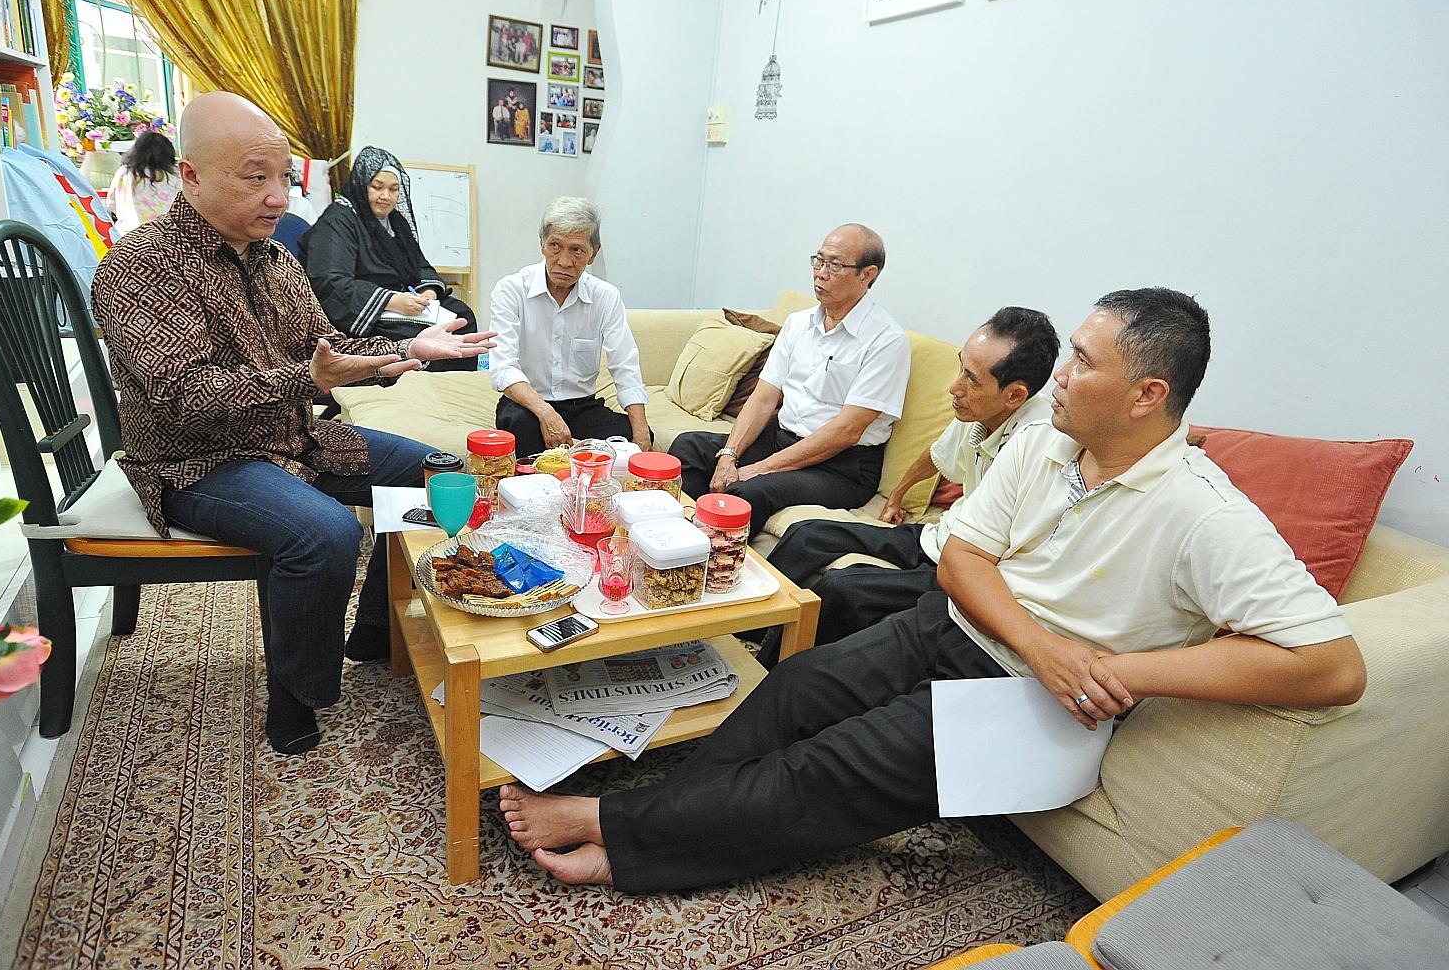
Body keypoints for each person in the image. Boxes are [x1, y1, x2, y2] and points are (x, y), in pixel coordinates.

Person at [497, 287, 1366, 893]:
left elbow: (1332, 666)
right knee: (796, 686)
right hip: (960, 627)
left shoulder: (1204, 513)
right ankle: (659, 827)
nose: (1059, 378)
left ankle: (620, 836)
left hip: (1027, 701)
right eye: (1065, 358)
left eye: (1081, 365)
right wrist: (1045, 642)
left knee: (828, 769)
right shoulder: (1045, 443)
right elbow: (962, 562)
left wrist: (1125, 673)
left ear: (1147, 395)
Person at [91, 93, 496, 756]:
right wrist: (309, 381)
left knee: (436, 475)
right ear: (191, 176)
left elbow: (327, 345)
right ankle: (296, 697)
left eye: (284, 176)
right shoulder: (138, 265)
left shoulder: (276, 260)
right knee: (326, 534)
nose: (279, 196)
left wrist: (406, 350)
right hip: (197, 462)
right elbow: (184, 395)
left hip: (291, 440)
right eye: (257, 177)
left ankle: (373, 634)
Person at [762, 306, 1058, 665]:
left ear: (1015, 395)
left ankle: (764, 671)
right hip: (937, 538)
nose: (954, 387)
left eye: (972, 379)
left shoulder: (1039, 445)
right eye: (961, 367)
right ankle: (748, 630)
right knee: (808, 535)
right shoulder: (979, 410)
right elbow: (936, 456)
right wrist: (897, 496)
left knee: (844, 588)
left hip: (964, 569)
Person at [669, 224, 911, 539]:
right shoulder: (799, 323)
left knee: (749, 491)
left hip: (841, 467)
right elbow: (764, 398)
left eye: (835, 265)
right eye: (818, 261)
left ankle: (711, 568)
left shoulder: (886, 340)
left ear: (867, 274)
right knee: (690, 448)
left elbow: (846, 432)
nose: (820, 273)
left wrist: (756, 468)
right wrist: (729, 455)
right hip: (782, 438)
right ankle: (675, 544)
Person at [488, 196, 651, 458]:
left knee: (632, 437)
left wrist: (641, 431)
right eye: (555, 246)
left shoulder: (605, 296)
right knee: (520, 426)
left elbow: (625, 366)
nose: (564, 261)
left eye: (576, 250)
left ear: (593, 253)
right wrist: (546, 413)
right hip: (528, 403)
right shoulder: (511, 290)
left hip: (581, 407)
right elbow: (502, 369)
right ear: (542, 244)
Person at [299, 146, 479, 371]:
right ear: (361, 185)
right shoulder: (337, 220)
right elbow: (330, 282)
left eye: (394, 189)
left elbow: (419, 265)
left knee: (462, 316)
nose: (386, 196)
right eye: (377, 187)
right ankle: (417, 398)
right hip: (362, 311)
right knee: (416, 337)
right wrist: (392, 301)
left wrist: (428, 292)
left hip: (403, 302)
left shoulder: (396, 222)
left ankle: (456, 394)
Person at [106, 130, 181, 236]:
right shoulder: (176, 176)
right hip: (166, 235)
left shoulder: (125, 172)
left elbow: (111, 203)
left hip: (128, 234)